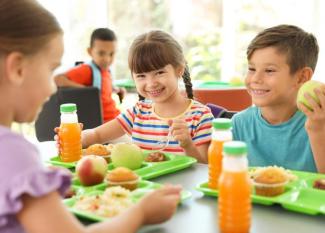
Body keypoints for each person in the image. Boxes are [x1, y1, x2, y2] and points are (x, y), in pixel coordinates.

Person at [0, 1, 181, 232]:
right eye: (50, 70)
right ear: (17, 68)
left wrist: (37, 180)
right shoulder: (14, 152)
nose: (53, 88)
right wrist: (140, 213)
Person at [57, 30, 213, 163]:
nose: (151, 83)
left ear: (179, 70)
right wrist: (75, 138)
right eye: (141, 76)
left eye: (159, 72)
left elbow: (204, 166)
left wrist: (187, 145)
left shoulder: (200, 116)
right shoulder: (138, 112)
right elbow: (97, 134)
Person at [232, 24, 325, 173]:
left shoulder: (319, 121)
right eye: (251, 69)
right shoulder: (239, 123)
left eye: (269, 70)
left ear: (302, 77)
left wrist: (317, 131)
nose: (256, 78)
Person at [54, 27, 125, 123]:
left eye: (111, 54)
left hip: (115, 118)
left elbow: (103, 90)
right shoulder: (86, 70)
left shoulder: (106, 71)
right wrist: (87, 91)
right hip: (104, 124)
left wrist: (116, 89)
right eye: (101, 53)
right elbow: (57, 79)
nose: (107, 59)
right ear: (90, 51)